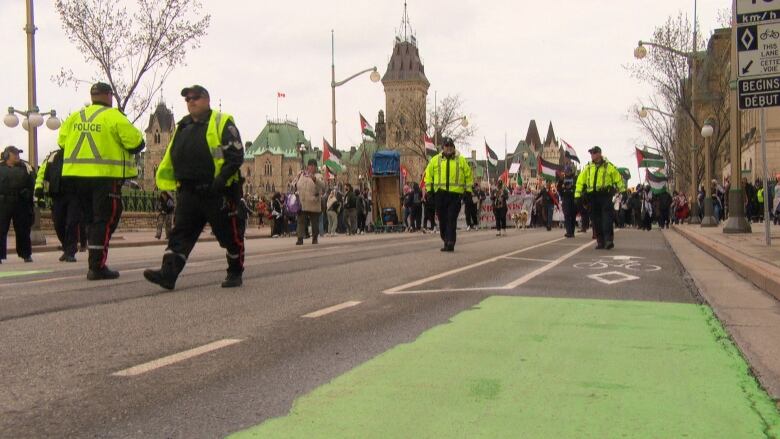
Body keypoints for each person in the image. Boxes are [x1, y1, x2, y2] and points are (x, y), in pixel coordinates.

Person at [143, 85, 245, 290]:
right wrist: (165, 187)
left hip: (217, 191)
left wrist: (221, 180)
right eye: (187, 99)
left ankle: (234, 271)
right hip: (188, 191)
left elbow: (235, 156)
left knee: (228, 235)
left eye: (195, 97)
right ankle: (168, 274)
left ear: (206, 99)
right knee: (180, 235)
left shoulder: (221, 122)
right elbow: (170, 158)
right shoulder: (182, 125)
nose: (191, 101)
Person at [58, 82, 145, 279]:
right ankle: (96, 265)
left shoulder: (75, 117)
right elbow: (136, 143)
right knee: (105, 219)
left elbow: (62, 142)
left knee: (90, 219)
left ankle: (95, 257)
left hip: (75, 177)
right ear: (109, 95)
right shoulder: (113, 116)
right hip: (104, 176)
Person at [423, 137, 473, 252]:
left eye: (451, 146)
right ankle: (445, 239)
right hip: (440, 195)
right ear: (443, 148)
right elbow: (428, 176)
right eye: (446, 146)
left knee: (451, 219)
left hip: (455, 195)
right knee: (442, 219)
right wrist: (429, 192)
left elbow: (468, 176)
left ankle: (450, 242)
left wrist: (468, 191)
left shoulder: (461, 160)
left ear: (453, 148)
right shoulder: (435, 160)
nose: (449, 148)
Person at [575, 146, 625, 250]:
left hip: (605, 195)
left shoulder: (608, 166)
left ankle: (608, 240)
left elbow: (618, 178)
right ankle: (600, 241)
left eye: (593, 153)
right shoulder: (588, 167)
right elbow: (580, 181)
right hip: (592, 196)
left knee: (607, 219)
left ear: (599, 154)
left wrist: (623, 191)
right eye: (591, 153)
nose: (592, 155)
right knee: (596, 220)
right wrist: (577, 196)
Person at [35, 148, 80, 262]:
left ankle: (71, 251)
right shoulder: (52, 155)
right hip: (57, 194)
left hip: (75, 194)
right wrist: (39, 190)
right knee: (58, 223)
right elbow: (42, 173)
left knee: (72, 223)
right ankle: (66, 247)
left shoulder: (78, 152)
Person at [0, 146, 35, 264]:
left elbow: (33, 182)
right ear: (6, 155)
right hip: (3, 203)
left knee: (23, 229)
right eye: (14, 153)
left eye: (17, 153)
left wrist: (29, 193)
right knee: (1, 229)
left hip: (21, 202)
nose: (17, 156)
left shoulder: (26, 167)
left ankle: (26, 254)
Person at [293, 159, 326, 245]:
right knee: (300, 221)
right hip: (302, 203)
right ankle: (300, 238)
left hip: (313, 203)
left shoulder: (318, 176)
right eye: (310, 166)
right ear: (307, 166)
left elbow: (323, 185)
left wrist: (315, 179)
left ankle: (314, 237)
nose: (311, 168)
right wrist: (297, 178)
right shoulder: (302, 175)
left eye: (313, 166)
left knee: (314, 222)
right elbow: (294, 184)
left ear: (315, 167)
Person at [557, 165, 577, 237]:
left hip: (573, 198)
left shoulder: (574, 178)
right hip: (566, 199)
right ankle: (568, 231)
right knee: (567, 215)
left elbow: (577, 187)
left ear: (570, 171)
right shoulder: (562, 179)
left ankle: (572, 232)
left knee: (573, 216)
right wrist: (562, 192)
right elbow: (559, 188)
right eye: (566, 171)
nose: (567, 173)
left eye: (568, 171)